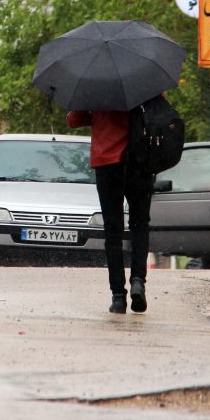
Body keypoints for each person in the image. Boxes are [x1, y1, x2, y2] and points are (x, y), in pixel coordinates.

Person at [67, 109, 154, 314]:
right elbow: (159, 112)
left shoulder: (95, 84)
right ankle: (138, 281)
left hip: (107, 162)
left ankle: (118, 297)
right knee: (139, 224)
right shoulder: (144, 81)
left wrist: (94, 114)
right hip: (139, 161)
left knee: (112, 229)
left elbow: (74, 120)